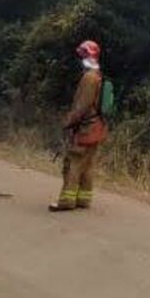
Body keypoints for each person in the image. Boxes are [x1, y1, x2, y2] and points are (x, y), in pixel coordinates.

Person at [49, 39, 108, 213]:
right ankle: (83, 199)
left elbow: (81, 107)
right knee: (87, 165)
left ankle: (66, 201)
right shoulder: (98, 76)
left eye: (81, 55)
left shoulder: (89, 78)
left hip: (85, 129)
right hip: (96, 128)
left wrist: (68, 122)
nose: (79, 59)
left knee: (73, 163)